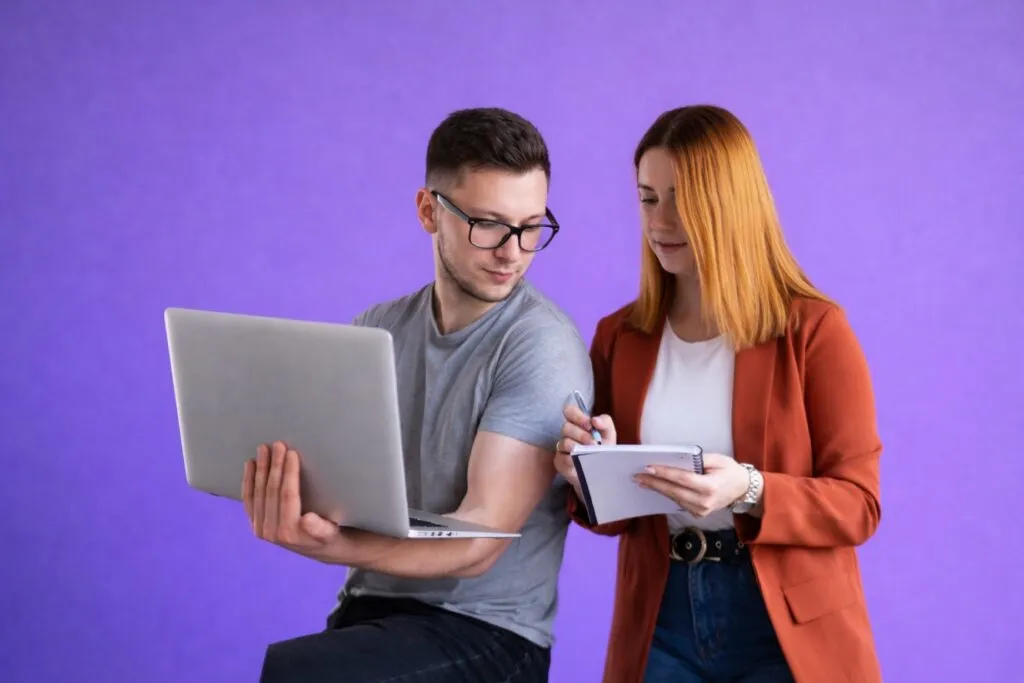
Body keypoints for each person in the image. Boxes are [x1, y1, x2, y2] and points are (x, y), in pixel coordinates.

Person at [243, 107, 594, 683]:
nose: (514, 251)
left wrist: (336, 547)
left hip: (489, 632)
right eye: (489, 224)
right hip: (374, 612)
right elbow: (341, 490)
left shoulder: (542, 346)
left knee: (302, 672)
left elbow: (479, 542)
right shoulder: (375, 330)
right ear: (429, 211)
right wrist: (290, 499)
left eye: (532, 226)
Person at [556, 105, 883, 683]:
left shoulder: (814, 331)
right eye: (648, 197)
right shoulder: (619, 337)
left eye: (683, 197)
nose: (660, 220)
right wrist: (586, 471)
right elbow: (610, 521)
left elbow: (859, 505)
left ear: (731, 201)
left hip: (786, 623)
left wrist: (749, 489)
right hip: (661, 617)